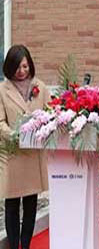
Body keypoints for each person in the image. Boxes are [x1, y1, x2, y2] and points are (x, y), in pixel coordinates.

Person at [0, 45, 50, 249]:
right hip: (13, 154)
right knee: (12, 204)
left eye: (25, 66)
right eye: (18, 67)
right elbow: (0, 121)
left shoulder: (40, 87)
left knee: (31, 204)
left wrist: (43, 129)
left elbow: (50, 113)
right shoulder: (2, 90)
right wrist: (13, 135)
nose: (22, 71)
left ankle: (26, 244)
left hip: (33, 153)